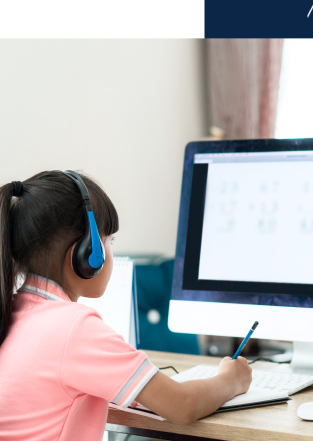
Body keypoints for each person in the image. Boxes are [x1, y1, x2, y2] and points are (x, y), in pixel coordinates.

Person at [0, 171, 252, 440]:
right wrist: (231, 379)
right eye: (110, 241)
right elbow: (182, 404)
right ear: (88, 255)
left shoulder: (12, 311)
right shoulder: (74, 329)